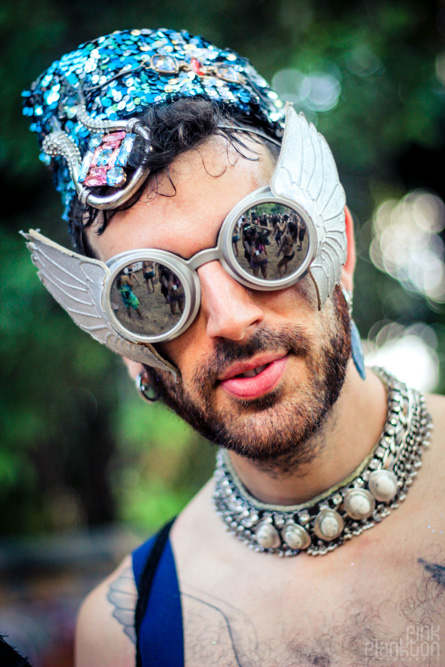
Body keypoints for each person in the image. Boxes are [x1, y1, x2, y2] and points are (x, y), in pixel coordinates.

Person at [22, 28, 445, 667]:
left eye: (263, 241)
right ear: (129, 349)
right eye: (154, 291)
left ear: (341, 251)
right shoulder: (125, 635)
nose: (231, 319)